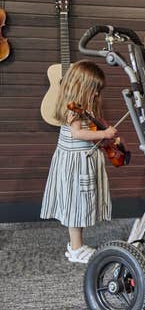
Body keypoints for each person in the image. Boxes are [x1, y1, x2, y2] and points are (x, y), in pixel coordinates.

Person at [40, 60, 116, 263]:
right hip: (76, 165)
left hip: (78, 162)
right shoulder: (74, 109)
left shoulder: (81, 107)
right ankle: (76, 249)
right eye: (95, 91)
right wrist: (104, 133)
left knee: (78, 206)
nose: (97, 95)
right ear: (82, 87)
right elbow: (77, 133)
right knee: (75, 206)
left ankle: (77, 245)